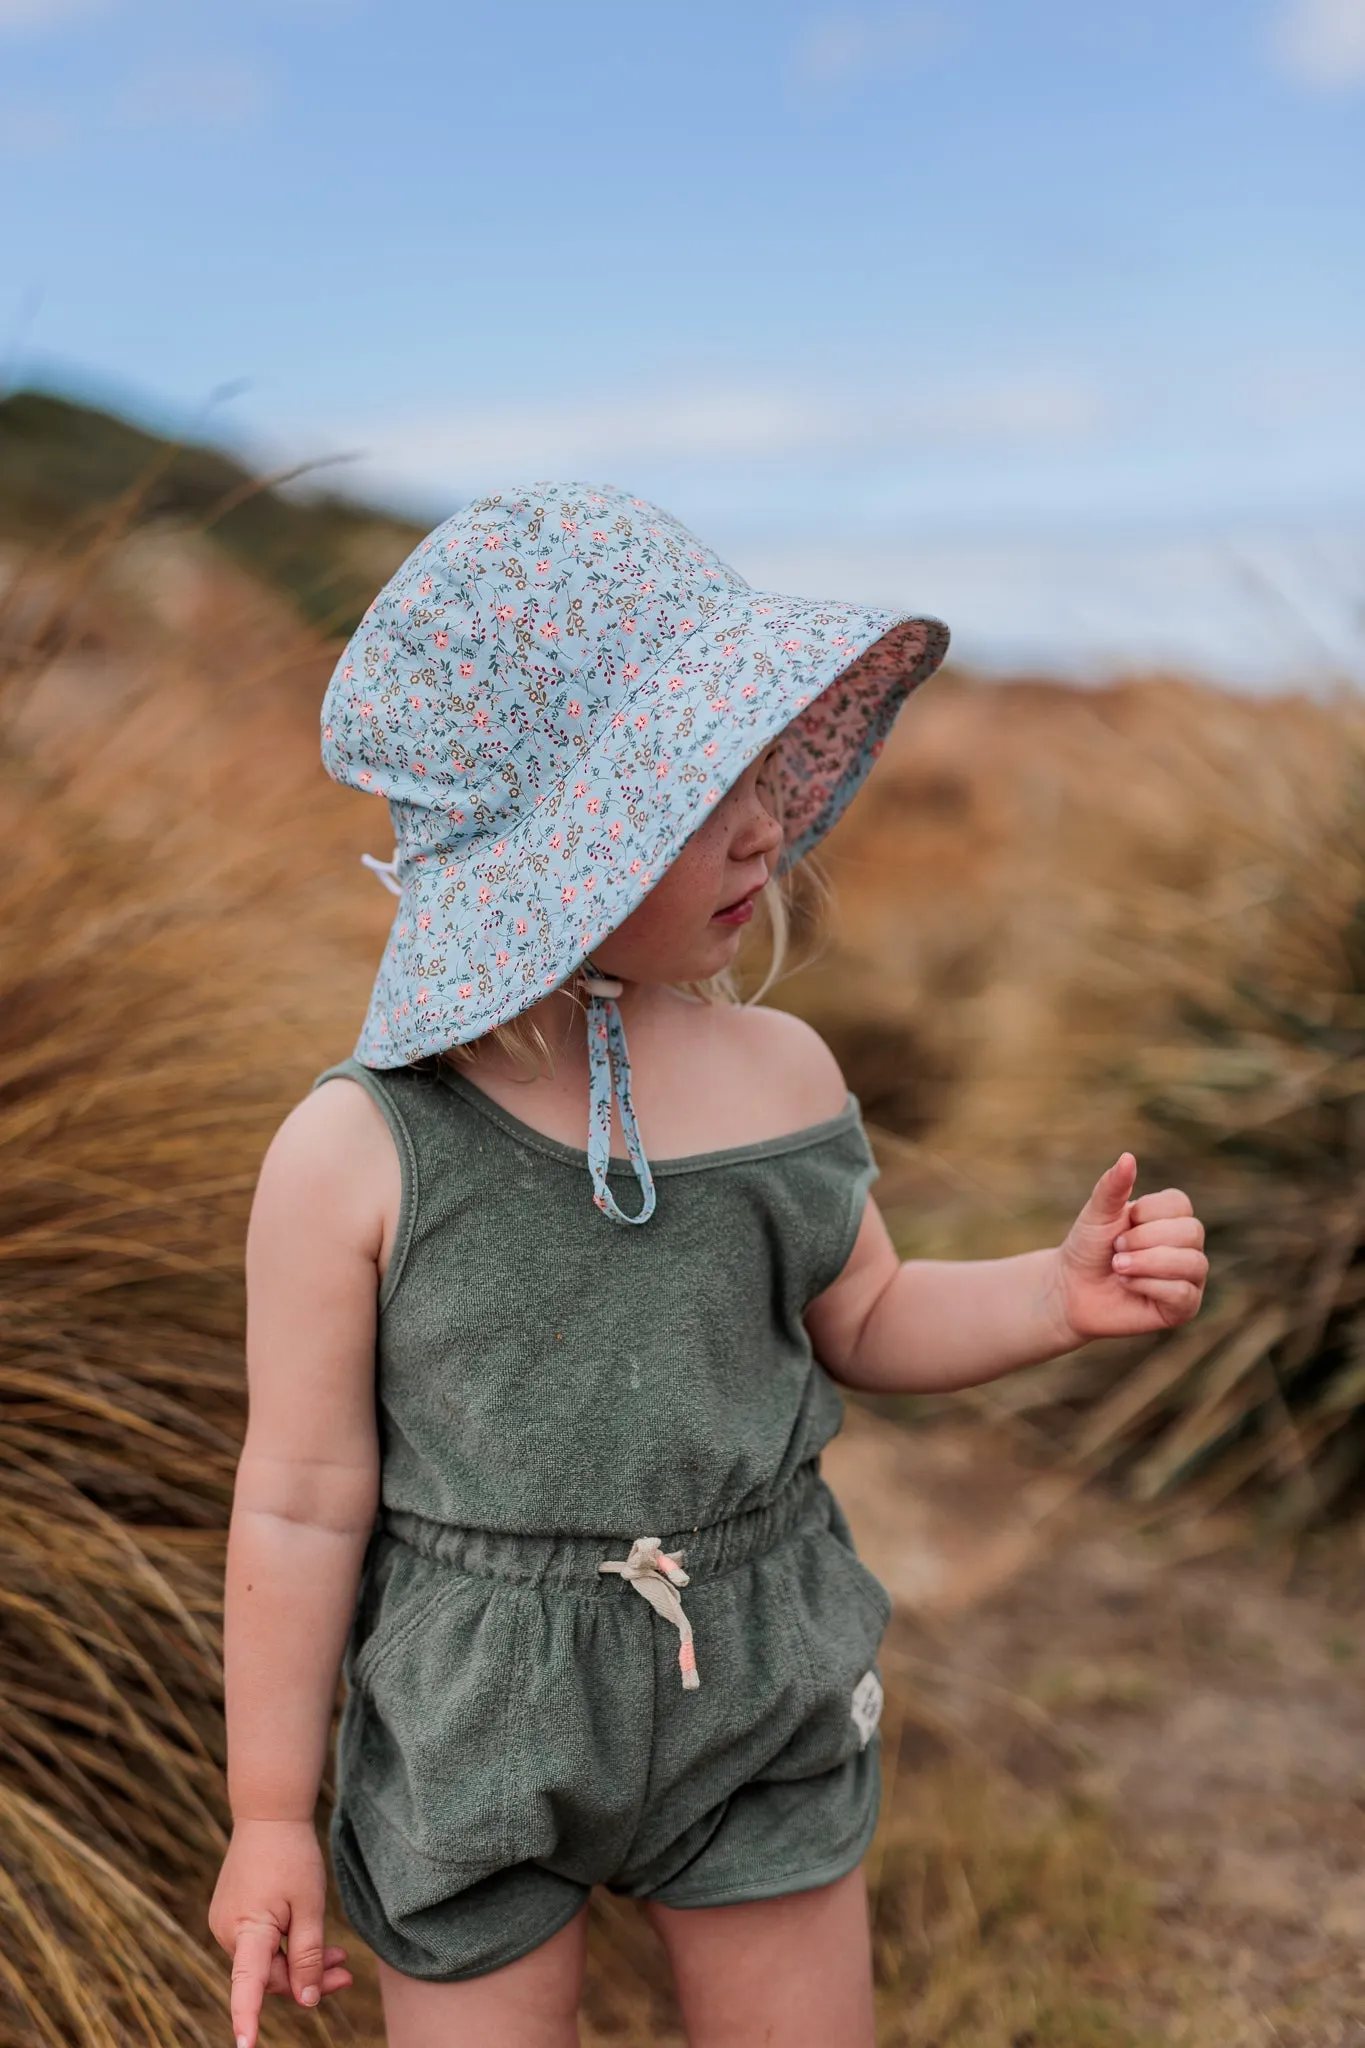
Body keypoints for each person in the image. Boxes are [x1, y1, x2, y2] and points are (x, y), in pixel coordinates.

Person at [208, 483, 1207, 2048]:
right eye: (692, 794)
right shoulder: (357, 1151)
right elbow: (300, 1491)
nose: (761, 824)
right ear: (550, 848)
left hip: (754, 1657)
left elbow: (864, 1311)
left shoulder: (784, 1071)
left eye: (756, 769)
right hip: (475, 1701)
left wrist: (1048, 1295)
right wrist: (270, 1810)